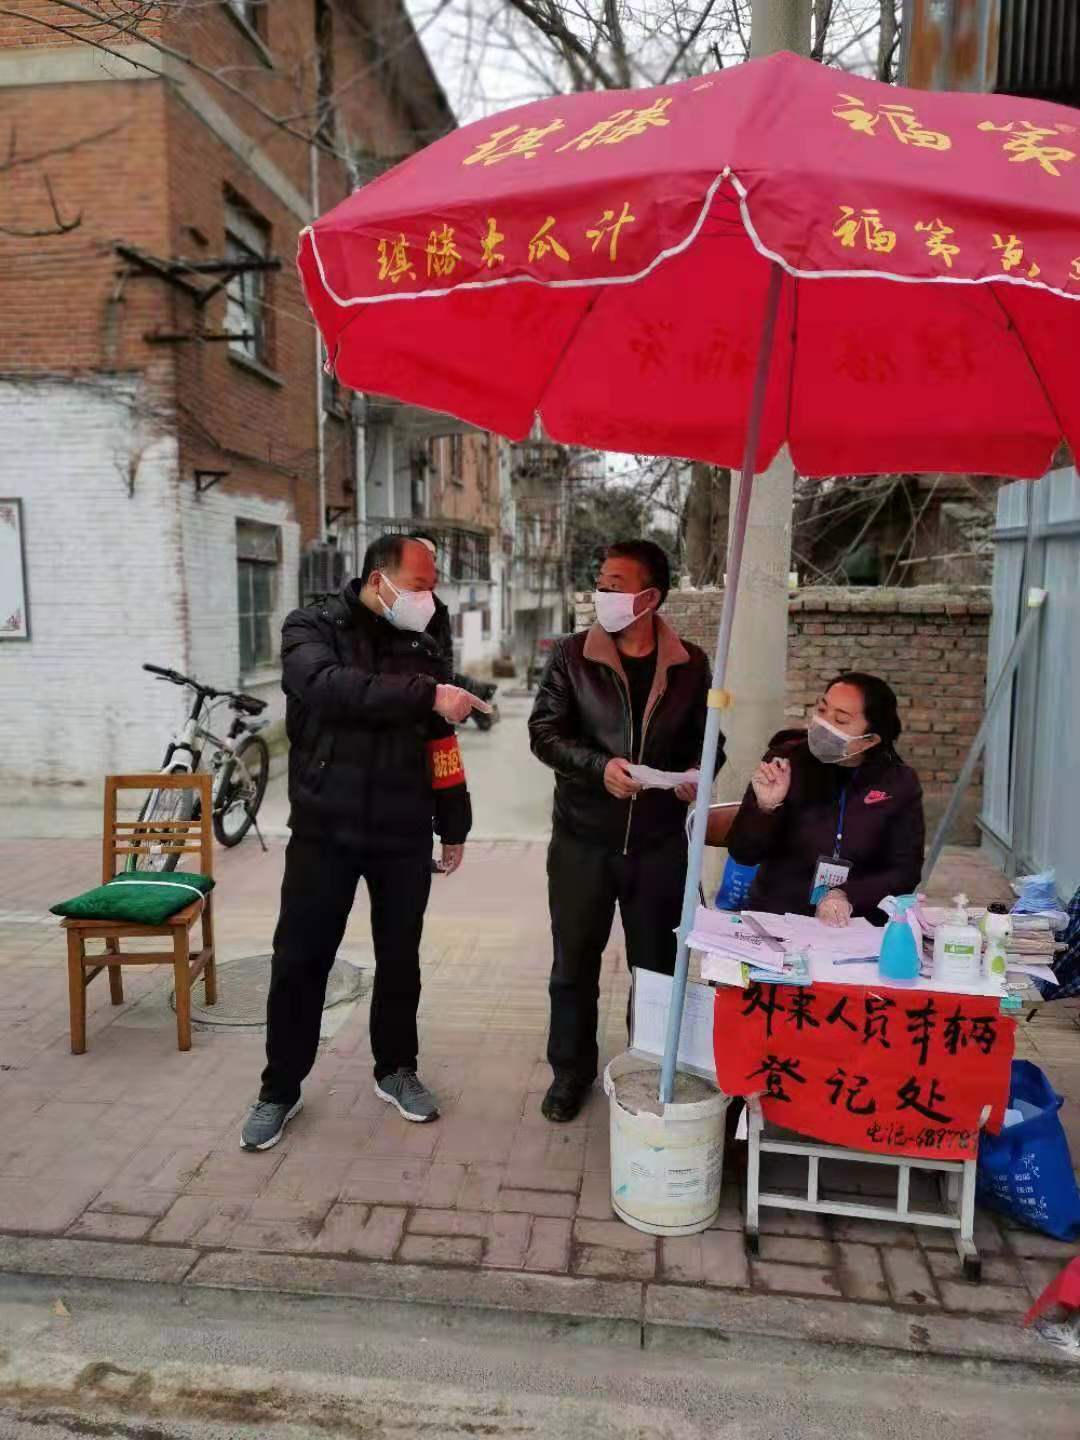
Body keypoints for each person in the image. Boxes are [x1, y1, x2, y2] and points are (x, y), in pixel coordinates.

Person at [240, 536, 487, 1150]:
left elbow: (438, 736)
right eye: (420, 585)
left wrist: (454, 821)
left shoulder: (425, 635)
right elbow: (329, 688)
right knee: (301, 959)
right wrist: (427, 693)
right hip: (326, 826)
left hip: (403, 826)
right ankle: (279, 1088)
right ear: (380, 580)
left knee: (400, 957)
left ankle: (396, 1068)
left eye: (434, 585)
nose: (430, 597)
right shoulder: (311, 627)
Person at [529, 540, 718, 1123]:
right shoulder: (571, 655)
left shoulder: (690, 664)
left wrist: (697, 775)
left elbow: (710, 742)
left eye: (615, 585)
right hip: (583, 839)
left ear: (650, 597)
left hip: (659, 845)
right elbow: (544, 733)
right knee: (573, 965)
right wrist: (597, 767)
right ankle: (570, 1071)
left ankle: (648, 1066)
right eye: (600, 583)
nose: (602, 594)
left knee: (657, 968)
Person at [725, 672, 924, 926]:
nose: (823, 724)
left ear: (870, 740)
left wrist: (847, 895)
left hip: (854, 923)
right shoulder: (785, 761)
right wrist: (765, 808)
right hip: (777, 916)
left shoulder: (897, 783)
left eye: (841, 719)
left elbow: (905, 871)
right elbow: (743, 853)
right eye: (821, 709)